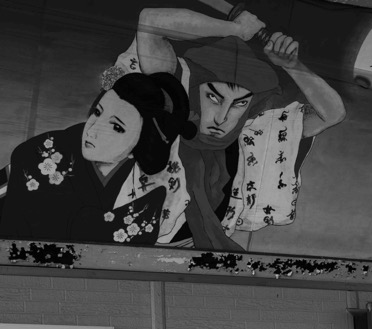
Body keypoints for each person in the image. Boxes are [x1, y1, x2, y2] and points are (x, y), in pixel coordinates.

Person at [125, 6, 346, 249]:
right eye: (214, 98)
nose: (223, 117)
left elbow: (332, 114)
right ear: (195, 90)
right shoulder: (169, 107)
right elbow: (151, 20)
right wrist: (234, 29)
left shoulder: (254, 139)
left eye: (239, 104)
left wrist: (292, 65)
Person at [0, 71, 194, 244]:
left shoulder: (146, 186)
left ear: (139, 145)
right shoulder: (42, 153)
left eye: (116, 127)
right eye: (97, 112)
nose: (92, 130)